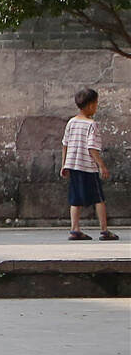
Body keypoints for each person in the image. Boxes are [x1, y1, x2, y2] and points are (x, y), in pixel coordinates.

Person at [62, 87, 115, 240]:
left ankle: (75, 229)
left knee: (75, 198)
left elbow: (65, 143)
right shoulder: (92, 124)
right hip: (88, 167)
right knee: (99, 199)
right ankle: (104, 230)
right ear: (91, 105)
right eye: (96, 103)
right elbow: (92, 147)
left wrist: (64, 164)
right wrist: (101, 165)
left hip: (73, 165)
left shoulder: (71, 122)